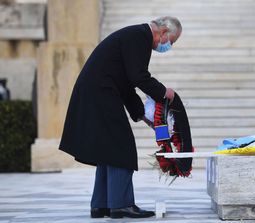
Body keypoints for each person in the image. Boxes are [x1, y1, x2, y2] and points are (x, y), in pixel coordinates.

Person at [59, 16, 182, 219]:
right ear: (163, 32)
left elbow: (127, 84)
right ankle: (121, 204)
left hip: (98, 91)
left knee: (108, 149)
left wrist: (142, 115)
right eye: (171, 41)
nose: (168, 46)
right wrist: (163, 92)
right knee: (121, 146)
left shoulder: (136, 35)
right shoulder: (140, 37)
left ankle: (102, 205)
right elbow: (138, 76)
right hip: (101, 92)